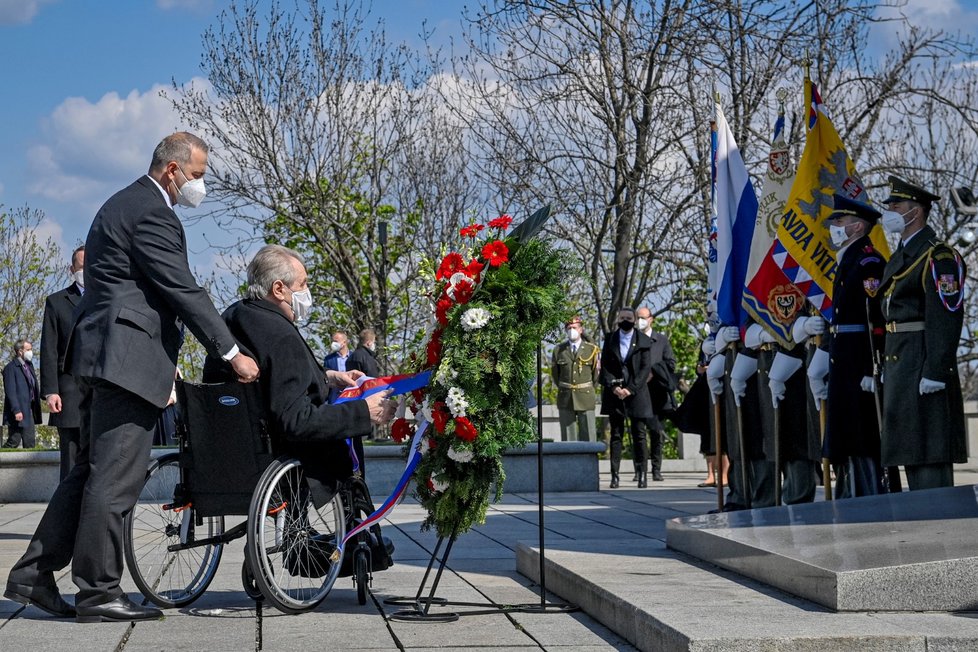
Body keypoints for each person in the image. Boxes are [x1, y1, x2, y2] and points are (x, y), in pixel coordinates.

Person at [4, 132, 260, 624]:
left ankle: (33, 575)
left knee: (90, 474)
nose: (200, 186)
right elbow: (181, 287)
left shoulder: (123, 203)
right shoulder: (151, 212)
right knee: (115, 479)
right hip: (127, 360)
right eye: (199, 176)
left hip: (112, 357)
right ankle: (99, 592)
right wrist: (230, 352)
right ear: (173, 170)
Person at [202, 245, 395, 493]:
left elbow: (275, 377)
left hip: (227, 450)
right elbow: (296, 420)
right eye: (302, 284)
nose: (307, 292)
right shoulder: (281, 333)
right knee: (347, 436)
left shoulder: (233, 317)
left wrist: (330, 377)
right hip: (279, 455)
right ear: (279, 289)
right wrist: (362, 411)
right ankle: (355, 526)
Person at [878, 176, 967, 490]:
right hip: (901, 365)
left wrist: (936, 370)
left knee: (928, 459)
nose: (889, 211)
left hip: (922, 366)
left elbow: (945, 316)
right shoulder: (901, 256)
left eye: (896, 206)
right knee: (910, 454)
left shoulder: (937, 256)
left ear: (915, 212)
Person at [799, 195, 887, 497]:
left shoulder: (869, 261)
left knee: (860, 434)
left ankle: (867, 494)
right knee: (846, 434)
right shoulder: (849, 260)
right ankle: (849, 493)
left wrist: (870, 366)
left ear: (857, 226)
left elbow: (874, 318)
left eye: (839, 221)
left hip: (857, 364)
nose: (834, 226)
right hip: (843, 359)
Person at [40, 246, 86, 478]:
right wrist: (51, 391)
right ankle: (68, 513)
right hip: (69, 396)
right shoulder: (56, 302)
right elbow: (48, 350)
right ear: (72, 269)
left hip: (103, 394)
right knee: (71, 465)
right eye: (81, 267)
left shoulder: (110, 299)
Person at [599, 307, 653, 488]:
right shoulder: (610, 339)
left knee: (639, 435)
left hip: (636, 393)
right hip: (615, 393)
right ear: (617, 319)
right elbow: (605, 365)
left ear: (635, 320)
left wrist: (630, 388)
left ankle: (642, 474)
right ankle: (615, 476)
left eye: (629, 318)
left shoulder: (644, 341)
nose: (625, 321)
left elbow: (645, 368)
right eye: (622, 317)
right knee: (616, 435)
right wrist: (614, 386)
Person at [636, 306, 677, 482]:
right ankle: (640, 470)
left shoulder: (661, 340)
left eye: (643, 317)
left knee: (656, 432)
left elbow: (671, 363)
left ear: (651, 319)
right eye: (638, 317)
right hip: (637, 392)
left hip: (657, 394)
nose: (640, 321)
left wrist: (653, 371)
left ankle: (656, 469)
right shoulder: (632, 339)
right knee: (638, 433)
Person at [551, 316, 599, 442]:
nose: (572, 330)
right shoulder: (559, 350)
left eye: (575, 327)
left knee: (589, 436)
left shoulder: (591, 349)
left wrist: (588, 388)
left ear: (581, 329)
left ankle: (588, 461)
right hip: (566, 397)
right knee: (568, 438)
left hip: (585, 396)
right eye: (569, 328)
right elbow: (556, 375)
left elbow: (596, 375)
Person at [2, 340, 42, 449]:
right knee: (14, 440)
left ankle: (30, 466)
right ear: (20, 351)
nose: (31, 352)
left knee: (30, 442)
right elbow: (10, 391)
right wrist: (16, 410)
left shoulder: (29, 366)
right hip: (18, 411)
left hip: (29, 409)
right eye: (28, 349)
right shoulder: (10, 368)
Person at [323, 330, 351, 403]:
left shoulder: (354, 357)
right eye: (333, 341)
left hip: (351, 396)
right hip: (334, 399)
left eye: (336, 341)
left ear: (344, 342)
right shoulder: (328, 359)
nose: (333, 344)